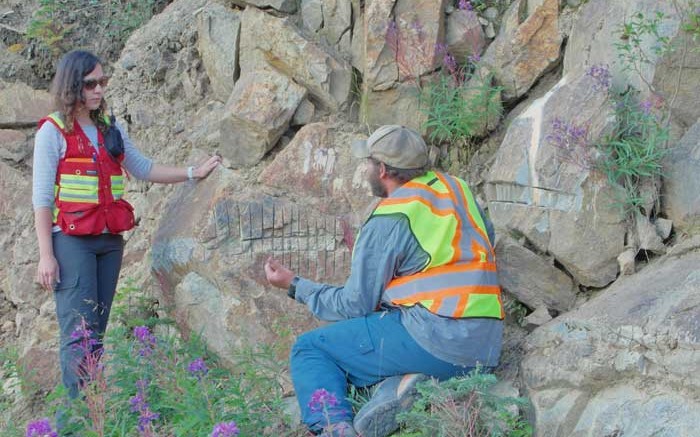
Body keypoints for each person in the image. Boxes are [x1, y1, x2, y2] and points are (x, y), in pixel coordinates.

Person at [264, 125, 504, 437]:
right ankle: (400, 388)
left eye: (367, 164)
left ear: (382, 170)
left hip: (438, 339)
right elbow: (487, 237)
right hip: (485, 345)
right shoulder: (455, 187)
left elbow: (355, 304)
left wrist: (295, 285)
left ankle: (335, 430)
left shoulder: (391, 216)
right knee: (390, 325)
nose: (364, 170)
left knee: (311, 349)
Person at [32, 49, 221, 400]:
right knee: (79, 334)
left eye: (103, 82)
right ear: (73, 85)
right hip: (71, 243)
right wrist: (47, 255)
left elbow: (144, 168)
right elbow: (42, 198)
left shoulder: (109, 128)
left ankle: (94, 414)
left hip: (109, 242)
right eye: (91, 84)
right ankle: (77, 418)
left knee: (96, 333)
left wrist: (193, 173)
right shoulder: (52, 131)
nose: (100, 90)